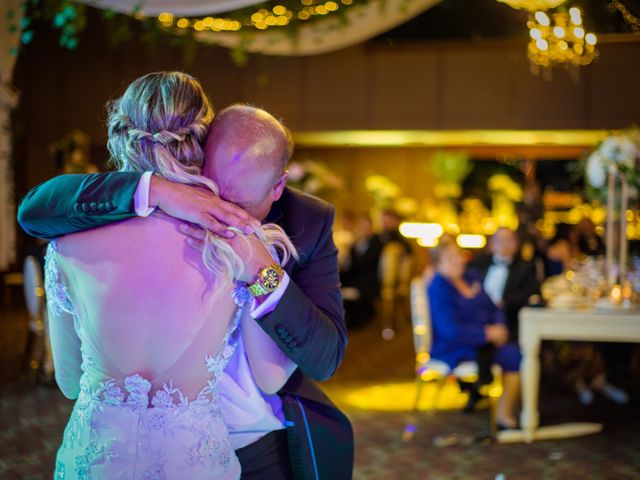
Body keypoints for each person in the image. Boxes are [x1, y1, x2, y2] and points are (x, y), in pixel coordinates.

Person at [18, 104, 353, 478]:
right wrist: (157, 190)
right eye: (208, 191)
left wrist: (263, 272)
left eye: (237, 206)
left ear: (277, 186)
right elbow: (35, 209)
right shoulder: (150, 200)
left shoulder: (306, 221)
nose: (218, 212)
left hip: (255, 442)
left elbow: (324, 355)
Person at [427, 240, 521, 429]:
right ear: (438, 265)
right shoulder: (438, 287)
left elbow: (494, 307)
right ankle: (503, 414)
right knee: (513, 355)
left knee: (514, 348)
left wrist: (499, 327)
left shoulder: (471, 276)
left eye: (458, 255)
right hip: (454, 345)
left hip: (482, 340)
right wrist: (486, 333)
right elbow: (449, 330)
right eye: (449, 258)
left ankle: (507, 408)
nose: (457, 260)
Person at [470, 227, 540, 341]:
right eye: (499, 240)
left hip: (508, 319)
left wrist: (504, 302)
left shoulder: (526, 267)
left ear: (516, 243)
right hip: (477, 316)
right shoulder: (478, 263)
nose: (503, 244)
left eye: (508, 240)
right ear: (492, 244)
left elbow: (532, 291)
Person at [340, 213, 383, 328]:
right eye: (361, 226)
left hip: (368, 282)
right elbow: (349, 266)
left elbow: (364, 264)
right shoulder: (355, 244)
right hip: (355, 278)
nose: (363, 229)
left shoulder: (377, 243)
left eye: (365, 227)